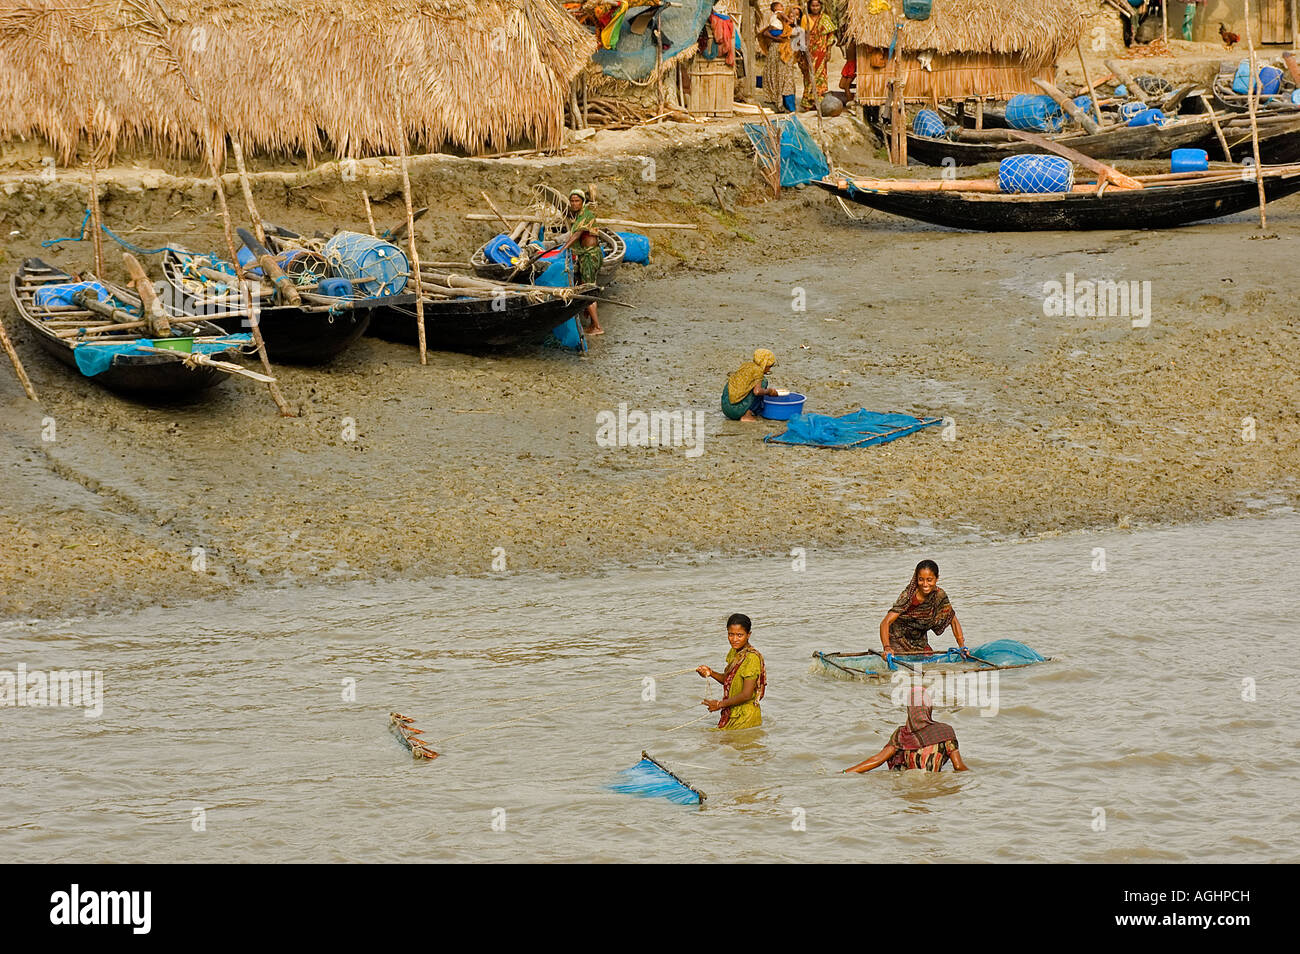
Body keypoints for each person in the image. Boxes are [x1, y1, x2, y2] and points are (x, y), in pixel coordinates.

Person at [843, 686, 969, 773]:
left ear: (910, 709)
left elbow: (877, 760)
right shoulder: (945, 732)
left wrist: (845, 772)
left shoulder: (902, 735)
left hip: (909, 784)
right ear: (929, 707)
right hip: (934, 788)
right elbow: (958, 766)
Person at [879, 559, 969, 660]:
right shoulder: (908, 596)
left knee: (931, 663)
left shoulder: (939, 596)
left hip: (919, 642)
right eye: (921, 579)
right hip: (898, 639)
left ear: (937, 578)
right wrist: (887, 648)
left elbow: (953, 620)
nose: (925, 584)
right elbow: (885, 623)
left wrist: (962, 646)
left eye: (929, 580)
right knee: (902, 666)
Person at [696, 613, 767, 729]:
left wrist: (719, 704)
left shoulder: (751, 658)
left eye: (740, 635)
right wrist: (710, 673)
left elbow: (747, 695)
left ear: (748, 635)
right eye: (731, 634)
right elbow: (729, 680)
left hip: (745, 716)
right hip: (732, 713)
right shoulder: (734, 652)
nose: (734, 639)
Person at [556, 188, 604, 335]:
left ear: (583, 202)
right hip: (586, 255)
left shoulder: (586, 215)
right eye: (572, 201)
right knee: (586, 285)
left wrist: (561, 251)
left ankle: (597, 327)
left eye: (577, 201)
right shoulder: (578, 217)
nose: (574, 203)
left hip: (590, 256)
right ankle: (591, 324)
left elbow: (576, 236)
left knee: (587, 289)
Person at [722, 348, 779, 421]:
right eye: (769, 367)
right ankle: (746, 415)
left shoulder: (746, 365)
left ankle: (748, 410)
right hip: (735, 411)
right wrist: (769, 391)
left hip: (726, 407)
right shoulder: (758, 371)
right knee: (763, 382)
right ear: (764, 364)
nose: (769, 370)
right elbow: (757, 391)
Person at [760, 3, 798, 113]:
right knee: (777, 76)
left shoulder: (789, 28)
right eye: (789, 16)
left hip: (785, 52)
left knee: (786, 78)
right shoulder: (779, 20)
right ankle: (781, 105)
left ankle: (787, 105)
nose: (790, 18)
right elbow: (766, 33)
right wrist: (778, 38)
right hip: (776, 52)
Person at [801, 0, 837, 110]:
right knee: (808, 75)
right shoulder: (805, 18)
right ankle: (808, 101)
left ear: (821, 6)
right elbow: (802, 35)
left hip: (821, 52)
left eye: (817, 5)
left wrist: (829, 51)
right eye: (813, 6)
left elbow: (830, 36)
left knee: (820, 76)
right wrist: (804, 51)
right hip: (808, 51)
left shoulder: (825, 18)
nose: (815, 8)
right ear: (809, 6)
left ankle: (819, 101)